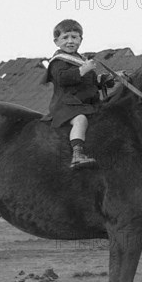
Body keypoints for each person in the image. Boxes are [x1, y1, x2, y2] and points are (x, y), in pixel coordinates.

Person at [42, 19, 113, 169]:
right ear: (56, 41)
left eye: (74, 37)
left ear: (81, 39)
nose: (70, 41)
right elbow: (62, 78)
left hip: (84, 103)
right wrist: (82, 70)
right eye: (65, 37)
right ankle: (77, 154)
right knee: (80, 120)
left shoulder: (81, 60)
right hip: (67, 104)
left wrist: (110, 78)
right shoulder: (58, 61)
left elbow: (91, 82)